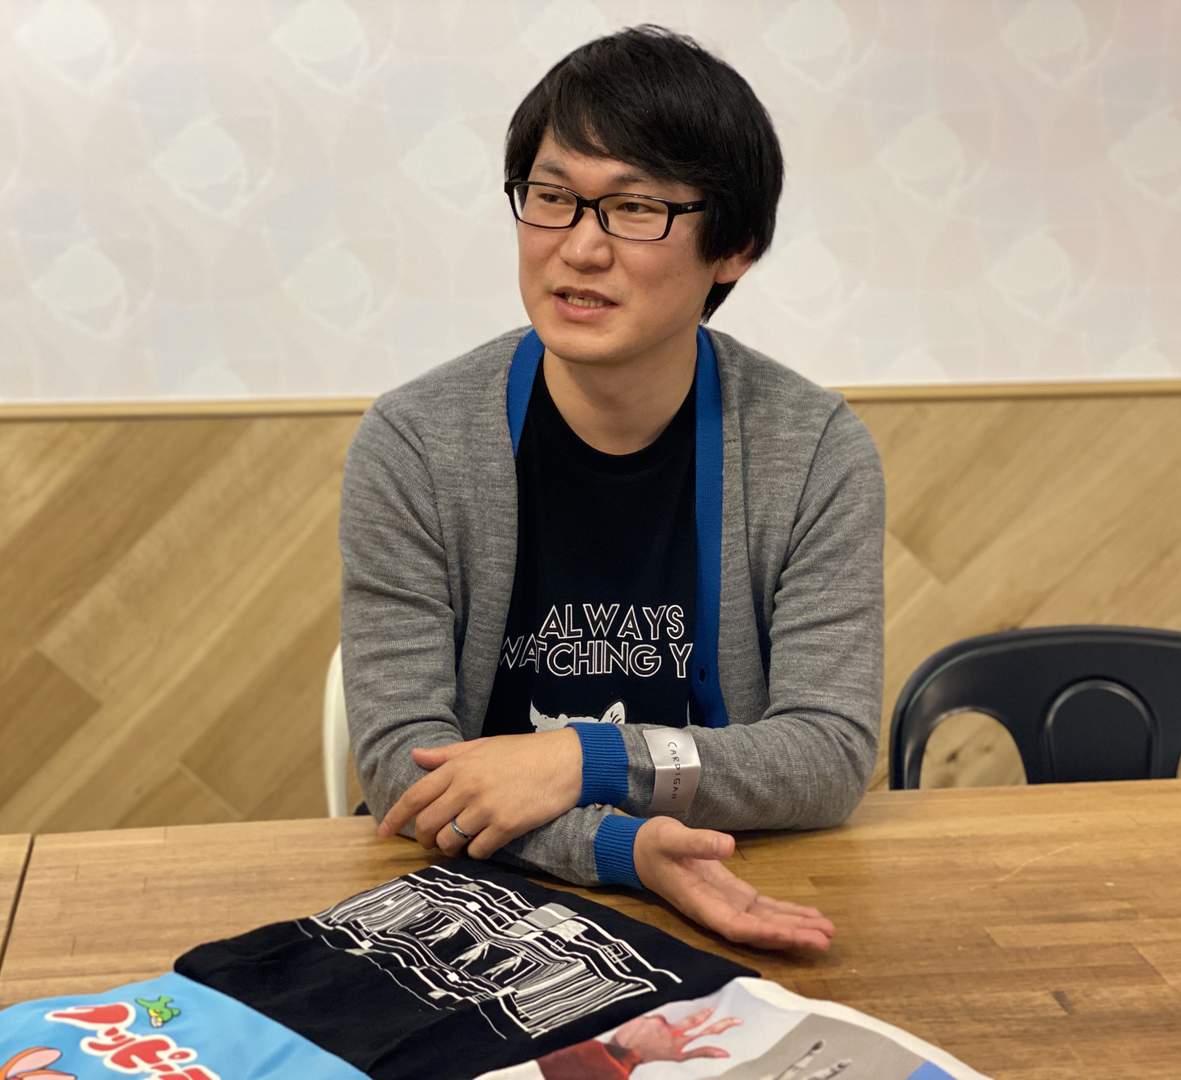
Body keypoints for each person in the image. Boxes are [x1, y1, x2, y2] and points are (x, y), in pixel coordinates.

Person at [339, 26, 883, 952]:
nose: (580, 249)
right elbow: (404, 765)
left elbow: (826, 756)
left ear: (735, 247)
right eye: (553, 198)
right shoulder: (416, 443)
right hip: (471, 898)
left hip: (744, 885)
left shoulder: (814, 450)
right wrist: (619, 847)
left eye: (634, 208)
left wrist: (581, 758)